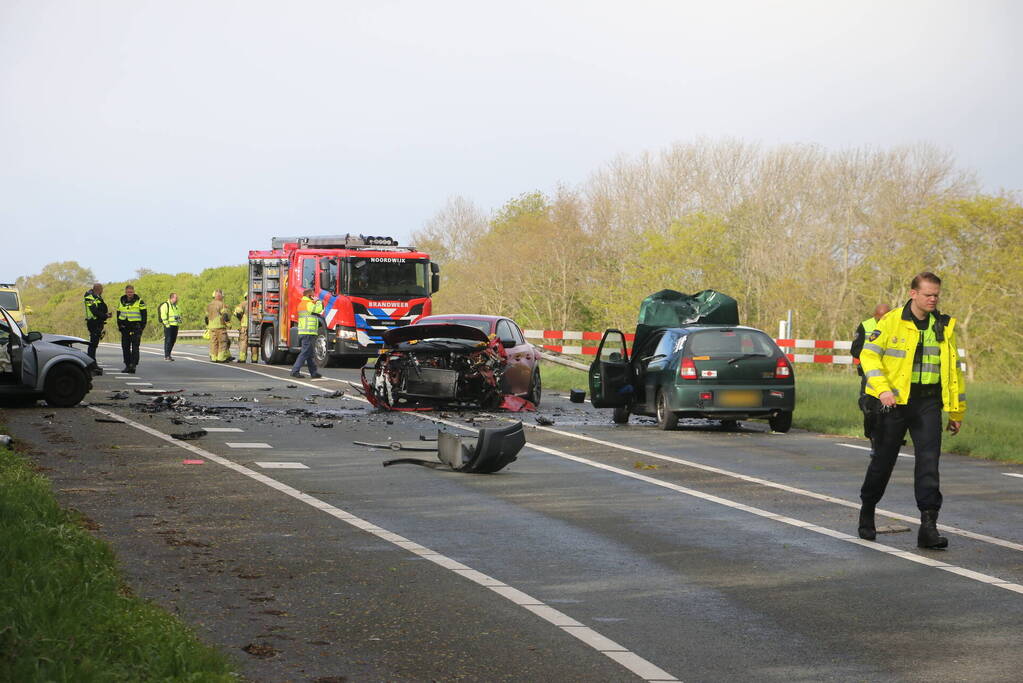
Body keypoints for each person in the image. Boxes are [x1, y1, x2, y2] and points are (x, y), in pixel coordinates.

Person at [857, 272, 966, 549]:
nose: (933, 299)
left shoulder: (943, 326)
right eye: (928, 294)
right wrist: (882, 389)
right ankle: (867, 511)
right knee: (883, 461)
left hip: (928, 402)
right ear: (913, 293)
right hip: (893, 402)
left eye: (936, 295)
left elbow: (953, 372)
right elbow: (869, 356)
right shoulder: (891, 321)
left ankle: (928, 527)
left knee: (929, 463)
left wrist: (956, 412)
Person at [851, 303, 891, 449]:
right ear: (875, 315)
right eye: (881, 317)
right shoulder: (865, 326)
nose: (883, 320)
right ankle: (871, 434)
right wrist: (871, 356)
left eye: (886, 316)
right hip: (870, 374)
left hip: (890, 375)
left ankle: (884, 440)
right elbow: (855, 350)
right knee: (869, 409)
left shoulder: (897, 326)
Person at [290, 288, 323, 379]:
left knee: (310, 353)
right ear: (309, 296)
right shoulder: (308, 304)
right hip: (308, 332)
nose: (314, 296)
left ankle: (313, 372)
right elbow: (318, 310)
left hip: (304, 331)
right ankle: (295, 371)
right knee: (305, 353)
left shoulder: (302, 304)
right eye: (313, 295)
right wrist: (318, 302)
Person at [116, 285, 147, 373]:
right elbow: (118, 314)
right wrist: (119, 325)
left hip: (135, 327)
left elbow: (144, 315)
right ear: (125, 292)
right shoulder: (121, 301)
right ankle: (127, 365)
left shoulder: (140, 301)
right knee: (125, 347)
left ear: (134, 292)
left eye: (131, 292)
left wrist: (142, 327)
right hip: (124, 327)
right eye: (128, 292)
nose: (130, 294)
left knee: (135, 347)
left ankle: (133, 365)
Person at [83, 283, 112, 362]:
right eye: (102, 290)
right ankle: (91, 363)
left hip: (98, 322)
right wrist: (105, 316)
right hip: (93, 322)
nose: (102, 291)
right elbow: (94, 311)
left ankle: (92, 362)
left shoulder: (97, 297)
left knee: (95, 344)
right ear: (99, 290)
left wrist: (105, 314)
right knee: (93, 344)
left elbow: (102, 308)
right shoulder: (89, 298)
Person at [204, 289, 232, 362]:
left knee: (213, 343)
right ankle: (221, 358)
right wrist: (228, 324)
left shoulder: (209, 305)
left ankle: (213, 358)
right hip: (220, 327)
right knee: (223, 342)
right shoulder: (221, 304)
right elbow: (225, 315)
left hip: (211, 328)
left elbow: (206, 318)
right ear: (220, 296)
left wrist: (208, 326)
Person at [233, 295, 257, 363]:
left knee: (243, 342)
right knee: (254, 343)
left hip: (245, 326)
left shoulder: (243, 303)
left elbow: (237, 312)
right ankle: (254, 359)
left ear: (245, 297)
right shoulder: (256, 303)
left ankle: (242, 358)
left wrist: (240, 318)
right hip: (255, 325)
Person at [158, 292, 181, 361]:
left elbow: (178, 315)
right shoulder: (165, 305)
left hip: (175, 325)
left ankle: (169, 354)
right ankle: (167, 355)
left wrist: (179, 321)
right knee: (168, 340)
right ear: (171, 298)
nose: (177, 299)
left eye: (177, 298)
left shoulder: (176, 306)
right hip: (168, 326)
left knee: (173, 341)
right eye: (175, 298)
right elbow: (163, 315)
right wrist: (166, 324)